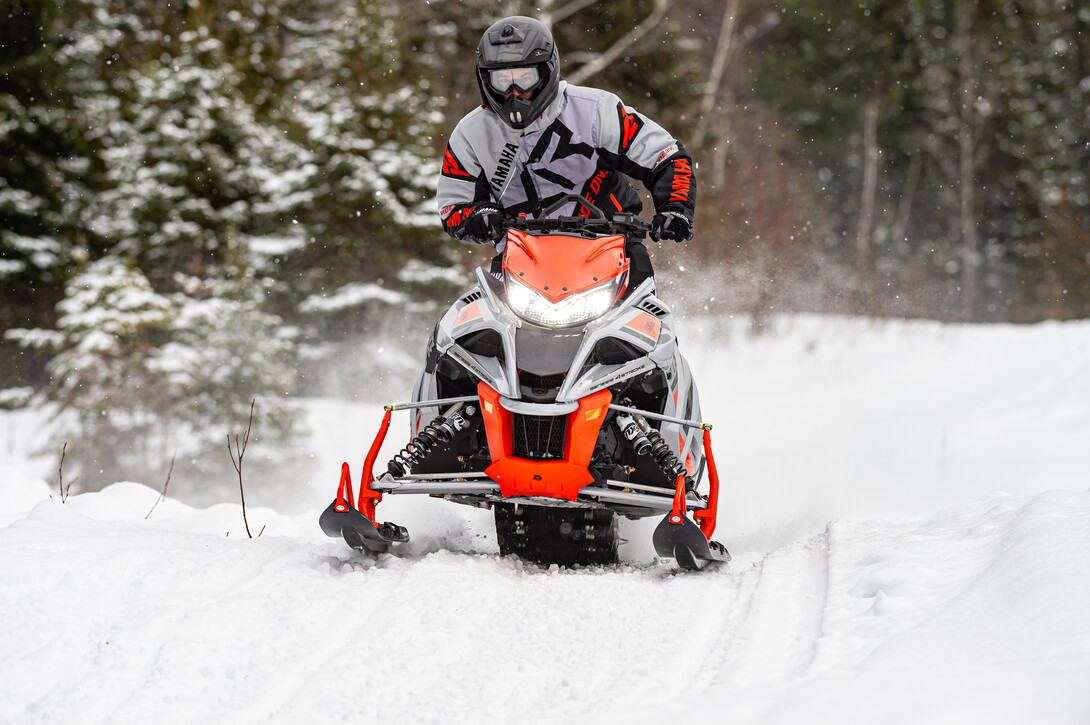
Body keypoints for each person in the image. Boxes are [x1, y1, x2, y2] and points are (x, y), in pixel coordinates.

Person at [437, 15, 697, 291]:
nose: (514, 92)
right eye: (503, 81)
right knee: (469, 327)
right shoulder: (470, 133)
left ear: (547, 71)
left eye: (525, 78)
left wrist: (675, 209)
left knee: (647, 324)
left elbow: (666, 156)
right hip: (520, 260)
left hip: (611, 248)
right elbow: (453, 206)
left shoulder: (596, 109)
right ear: (485, 79)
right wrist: (478, 217)